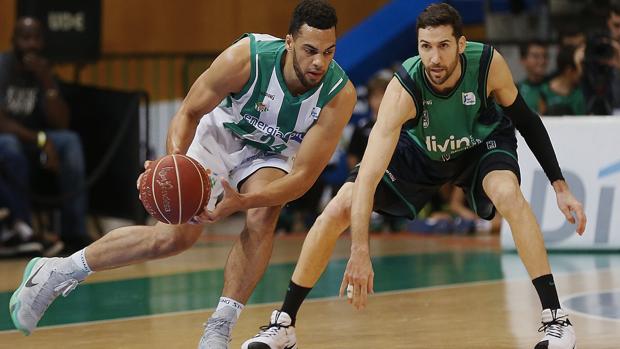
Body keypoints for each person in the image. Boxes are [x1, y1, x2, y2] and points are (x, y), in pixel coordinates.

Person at [9, 1, 356, 348]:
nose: (319, 62)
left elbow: (303, 179)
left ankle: (219, 328)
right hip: (221, 134)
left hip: (271, 154)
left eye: (328, 52)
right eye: (310, 50)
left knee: (263, 214)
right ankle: (58, 272)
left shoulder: (338, 94)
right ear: (289, 42)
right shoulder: (246, 58)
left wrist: (242, 201)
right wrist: (174, 164)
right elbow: (189, 111)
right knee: (173, 239)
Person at [242, 3, 585, 349]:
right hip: (420, 152)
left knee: (509, 195)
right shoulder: (403, 88)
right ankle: (284, 324)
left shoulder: (487, 64)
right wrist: (360, 248)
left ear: (461, 44)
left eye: (443, 46)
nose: (434, 58)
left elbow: (527, 121)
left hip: (480, 142)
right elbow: (368, 177)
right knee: (336, 209)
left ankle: (556, 318)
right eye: (425, 47)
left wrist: (561, 187)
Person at [0, 17, 90, 252]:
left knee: (70, 141)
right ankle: (26, 233)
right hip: (10, 140)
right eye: (25, 37)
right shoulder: (3, 67)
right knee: (9, 144)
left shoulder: (43, 71)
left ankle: (74, 232)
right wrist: (42, 140)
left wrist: (47, 81)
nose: (31, 44)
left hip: (33, 140)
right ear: (14, 41)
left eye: (36, 38)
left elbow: (61, 122)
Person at [540, 45, 586, 116]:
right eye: (580, 67)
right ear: (569, 70)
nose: (582, 72)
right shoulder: (545, 91)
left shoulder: (581, 92)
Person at [516, 39, 549, 113]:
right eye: (536, 56)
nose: (542, 61)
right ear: (523, 60)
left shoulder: (555, 88)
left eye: (545, 56)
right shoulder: (516, 91)